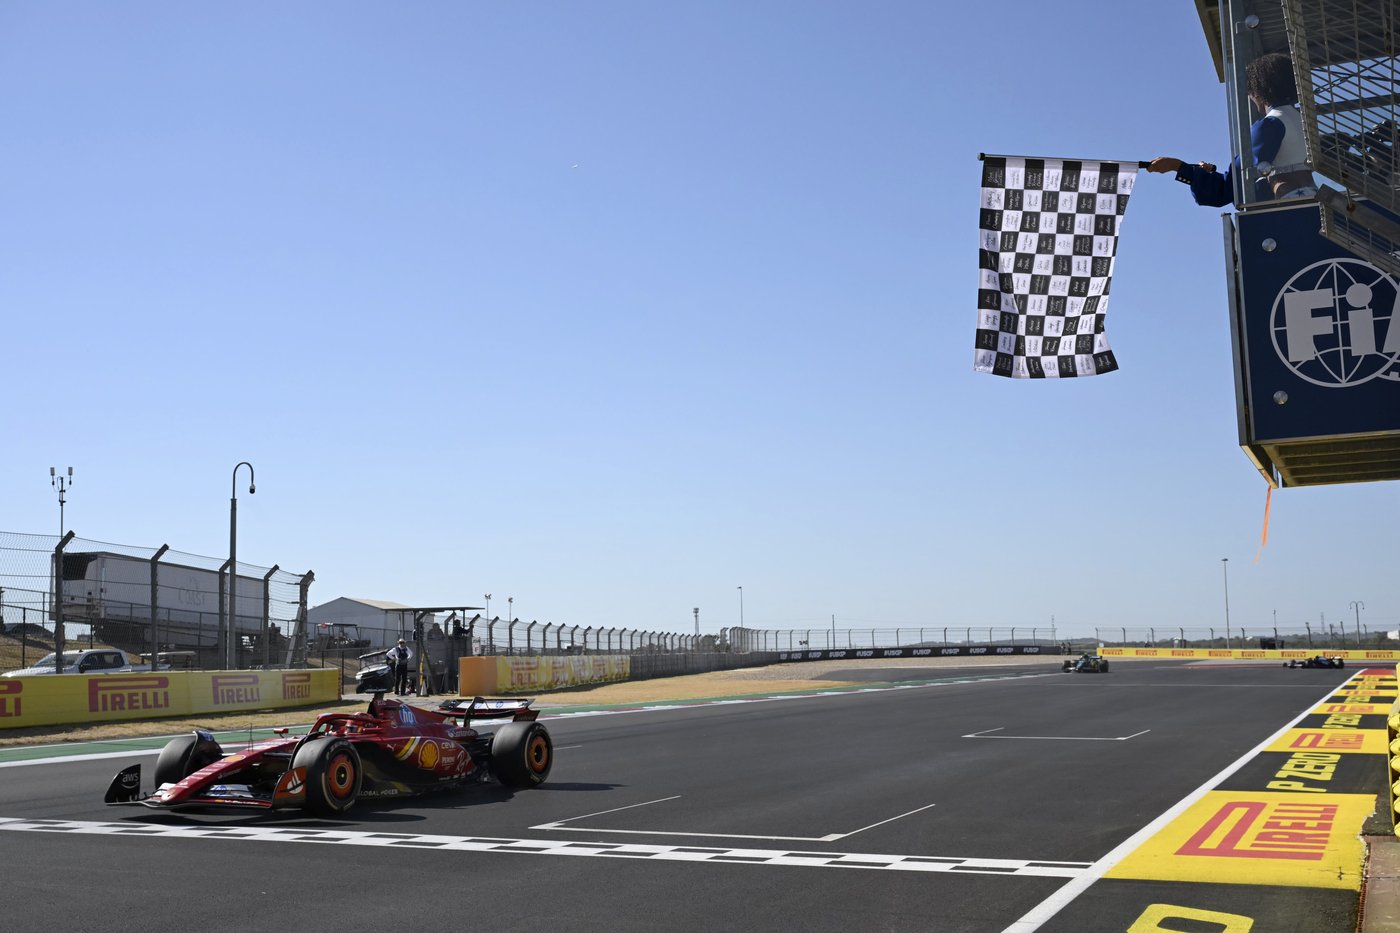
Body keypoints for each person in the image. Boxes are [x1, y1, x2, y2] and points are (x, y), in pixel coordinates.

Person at [1148, 51, 1317, 206]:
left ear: (1257, 91)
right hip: (1315, 200)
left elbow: (1230, 187)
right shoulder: (1305, 122)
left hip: (1290, 208)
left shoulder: (1270, 125)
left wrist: (1178, 167)